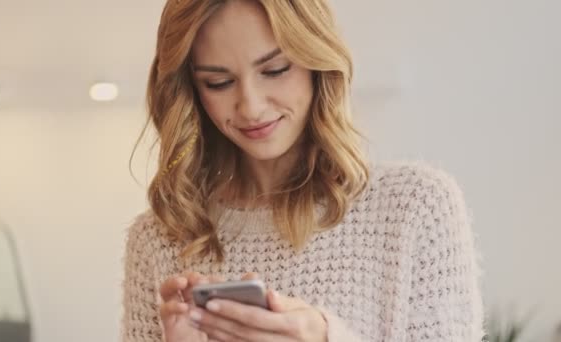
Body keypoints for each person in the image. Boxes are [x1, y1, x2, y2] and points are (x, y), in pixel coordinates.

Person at [122, 0, 484, 341]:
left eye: (275, 70)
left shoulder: (413, 207)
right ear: (191, 89)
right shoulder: (160, 238)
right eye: (218, 82)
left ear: (316, 61)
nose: (250, 106)